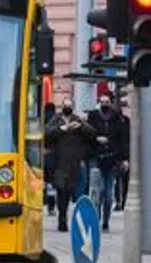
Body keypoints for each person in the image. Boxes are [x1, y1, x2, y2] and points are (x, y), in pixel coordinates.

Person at [44, 97, 94, 232]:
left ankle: (75, 219)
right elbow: (47, 132)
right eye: (66, 105)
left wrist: (81, 126)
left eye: (70, 106)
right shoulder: (56, 119)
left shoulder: (77, 119)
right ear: (62, 107)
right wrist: (62, 128)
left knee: (74, 192)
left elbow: (91, 133)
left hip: (74, 163)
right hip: (59, 162)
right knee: (61, 192)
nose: (68, 108)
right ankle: (62, 219)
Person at [85, 93, 129, 231]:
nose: (104, 104)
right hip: (96, 158)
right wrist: (96, 139)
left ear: (110, 103)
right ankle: (96, 217)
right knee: (98, 189)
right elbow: (87, 135)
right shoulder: (93, 117)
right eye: (102, 101)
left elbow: (123, 141)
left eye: (107, 102)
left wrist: (124, 159)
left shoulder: (118, 120)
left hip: (111, 159)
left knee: (108, 194)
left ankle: (105, 221)